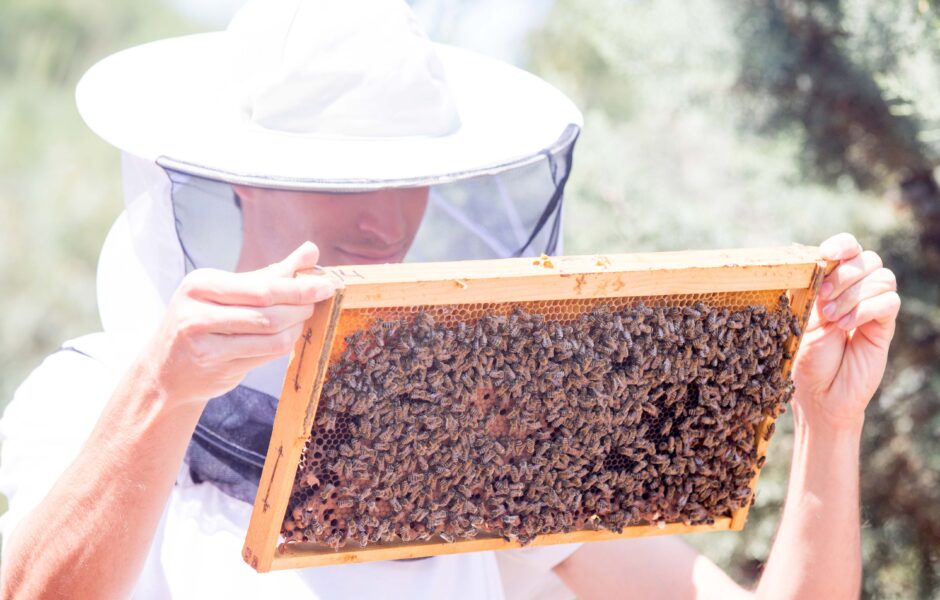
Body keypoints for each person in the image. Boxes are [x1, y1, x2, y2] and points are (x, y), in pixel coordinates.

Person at [0, 1, 899, 599]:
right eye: (341, 178)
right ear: (240, 178)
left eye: (411, 176)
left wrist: (830, 422)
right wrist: (165, 394)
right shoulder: (92, 393)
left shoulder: (481, 420)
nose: (384, 219)